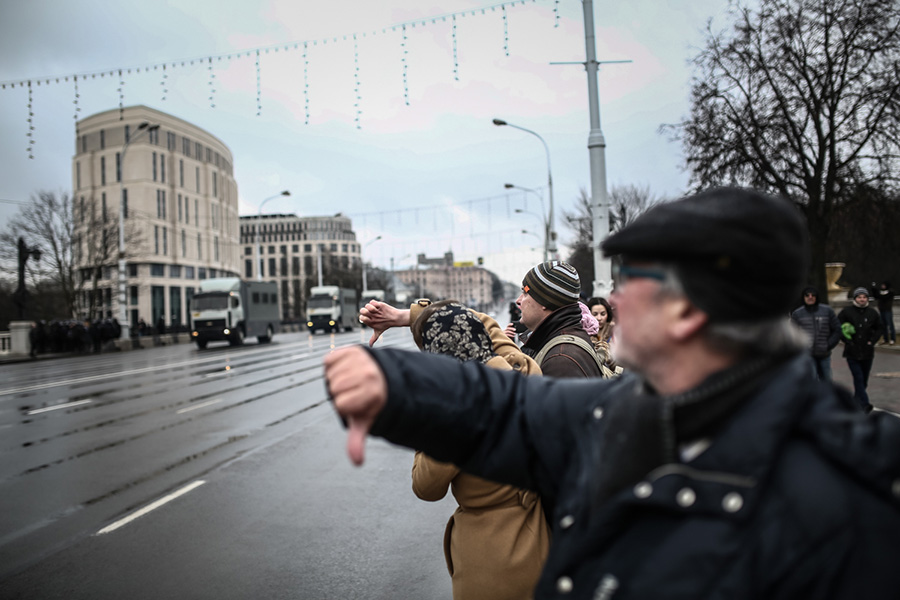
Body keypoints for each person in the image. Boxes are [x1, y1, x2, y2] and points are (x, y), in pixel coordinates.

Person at [325, 187, 900, 599]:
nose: (610, 302)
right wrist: (392, 382)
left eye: (632, 282)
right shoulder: (626, 408)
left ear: (688, 311)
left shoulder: (857, 479)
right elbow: (498, 408)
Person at [405, 301, 549, 600]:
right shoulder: (524, 372)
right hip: (538, 536)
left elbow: (426, 487)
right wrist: (413, 316)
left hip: (490, 554)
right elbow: (490, 333)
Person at [501, 261, 603, 378]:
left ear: (544, 300)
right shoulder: (560, 345)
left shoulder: (561, 360)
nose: (518, 301)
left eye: (525, 293)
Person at [838, 287, 882, 413]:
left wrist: (872, 341)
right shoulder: (846, 312)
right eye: (859, 297)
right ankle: (864, 404)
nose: (862, 299)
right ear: (855, 298)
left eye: (864, 297)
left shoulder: (872, 313)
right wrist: (847, 341)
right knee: (858, 377)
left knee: (863, 380)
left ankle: (855, 401)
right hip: (852, 352)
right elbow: (837, 326)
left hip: (867, 352)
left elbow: (880, 328)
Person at [789, 286, 841, 380]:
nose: (810, 297)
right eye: (807, 295)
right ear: (803, 297)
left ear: (817, 297)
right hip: (807, 355)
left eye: (813, 295)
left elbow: (837, 329)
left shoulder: (827, 311)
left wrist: (829, 344)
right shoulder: (797, 314)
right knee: (811, 381)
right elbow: (792, 334)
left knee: (826, 380)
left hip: (824, 353)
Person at [877, 281, 895, 345]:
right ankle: (885, 338)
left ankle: (892, 339)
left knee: (890, 325)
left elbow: (884, 297)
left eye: (884, 285)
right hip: (882, 310)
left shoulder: (890, 292)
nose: (882, 286)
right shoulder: (881, 292)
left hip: (887, 310)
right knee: (883, 325)